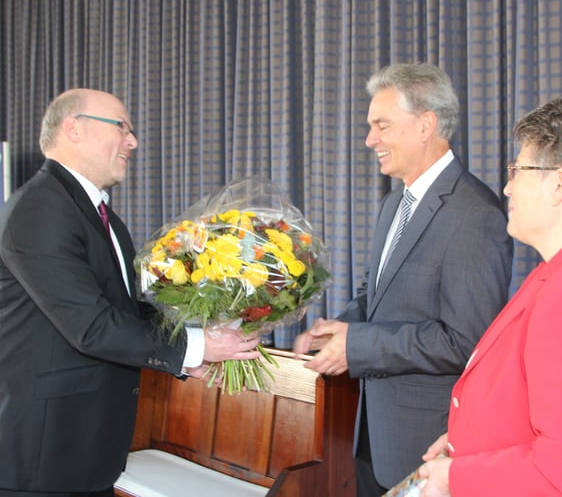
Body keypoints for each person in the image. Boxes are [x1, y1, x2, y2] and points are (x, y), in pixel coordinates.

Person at [0, 89, 261, 497]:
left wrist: (195, 341)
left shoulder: (103, 216)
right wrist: (197, 347)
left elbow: (124, 310)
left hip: (87, 450)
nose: (133, 141)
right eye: (122, 126)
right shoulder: (39, 208)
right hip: (46, 454)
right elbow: (92, 325)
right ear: (73, 129)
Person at [293, 63, 514, 496]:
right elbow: (375, 297)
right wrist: (339, 327)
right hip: (372, 437)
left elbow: (465, 342)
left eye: (381, 126)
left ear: (425, 124)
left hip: (428, 448)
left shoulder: (475, 214)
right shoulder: (394, 205)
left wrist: (356, 347)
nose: (369, 139)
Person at [419, 97, 562, 496]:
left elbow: (556, 469)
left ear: (558, 184)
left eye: (518, 169)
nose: (507, 185)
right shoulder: (546, 275)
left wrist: (455, 476)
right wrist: (461, 446)